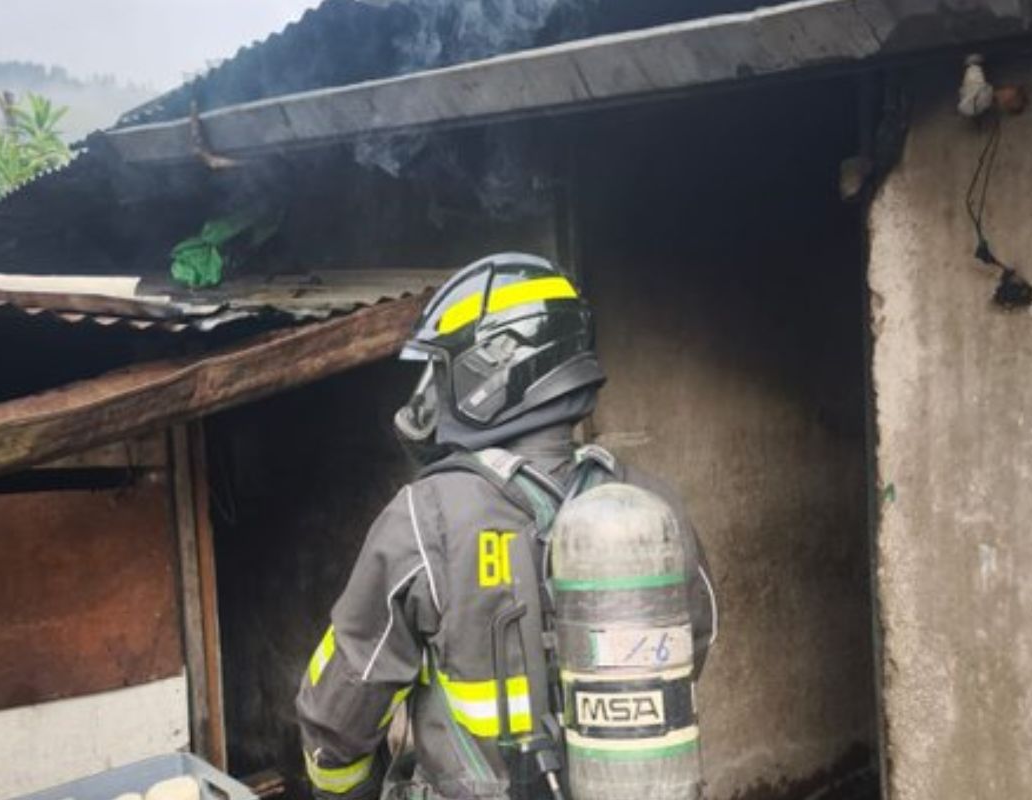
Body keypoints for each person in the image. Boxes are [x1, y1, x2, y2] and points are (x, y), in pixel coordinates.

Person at [296, 253, 717, 800]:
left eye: (442, 370)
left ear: (488, 368)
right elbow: (695, 642)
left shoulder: (428, 517)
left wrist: (340, 786)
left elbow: (344, 701)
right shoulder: (651, 506)